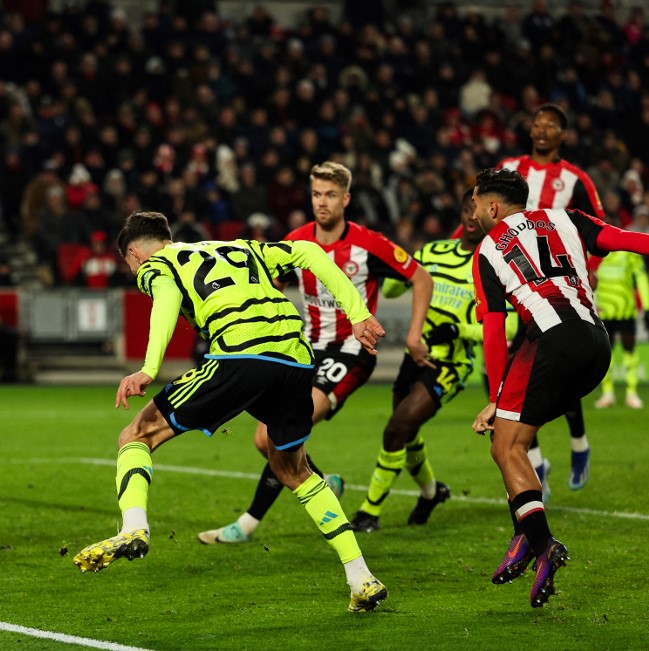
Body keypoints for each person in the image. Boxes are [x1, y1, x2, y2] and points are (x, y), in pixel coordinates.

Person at [72, 211, 391, 612]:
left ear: (134, 253)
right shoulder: (240, 247)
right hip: (296, 357)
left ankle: (134, 528)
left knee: (136, 435)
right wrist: (358, 314)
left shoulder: (156, 265)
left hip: (241, 353)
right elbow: (309, 252)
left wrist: (149, 368)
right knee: (294, 470)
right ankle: (361, 577)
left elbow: (168, 298)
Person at [469, 167, 649, 608]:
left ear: (492, 206)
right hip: (596, 343)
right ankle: (523, 536)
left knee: (505, 445)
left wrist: (494, 399)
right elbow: (625, 238)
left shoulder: (488, 248)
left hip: (551, 339)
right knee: (518, 439)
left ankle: (541, 543)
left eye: (476, 204)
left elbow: (494, 331)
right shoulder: (565, 218)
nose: (473, 213)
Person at [196, 161, 433, 545]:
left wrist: (414, 334)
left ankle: (248, 524)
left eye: (330, 195)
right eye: (316, 195)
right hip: (306, 350)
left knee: (281, 431)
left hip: (351, 352)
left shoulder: (368, 243)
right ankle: (323, 483)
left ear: (346, 199)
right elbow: (270, 286)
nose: (322, 203)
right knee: (264, 440)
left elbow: (420, 277)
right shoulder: (297, 240)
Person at [348, 189, 488, 533]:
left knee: (397, 427)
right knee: (406, 432)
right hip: (416, 353)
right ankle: (430, 492)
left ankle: (369, 511)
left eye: (479, 210)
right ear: (460, 212)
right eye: (467, 208)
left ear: (491, 213)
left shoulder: (493, 262)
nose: (472, 216)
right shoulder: (435, 251)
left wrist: (458, 330)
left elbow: (508, 326)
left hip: (448, 366)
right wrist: (389, 264)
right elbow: (396, 288)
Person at [499, 103, 604, 493]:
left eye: (551, 126)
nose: (542, 130)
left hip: (562, 290)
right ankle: (539, 461)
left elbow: (600, 230)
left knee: (556, 367)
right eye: (537, 124)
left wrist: (580, 266)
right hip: (519, 282)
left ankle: (577, 445)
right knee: (525, 372)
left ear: (563, 135)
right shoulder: (510, 166)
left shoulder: (575, 179)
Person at [591, 242, 649, 409]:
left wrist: (647, 306)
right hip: (603, 311)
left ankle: (632, 393)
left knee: (629, 349)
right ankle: (607, 393)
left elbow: (641, 277)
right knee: (605, 353)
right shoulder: (595, 256)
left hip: (626, 311)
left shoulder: (629, 253)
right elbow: (586, 279)